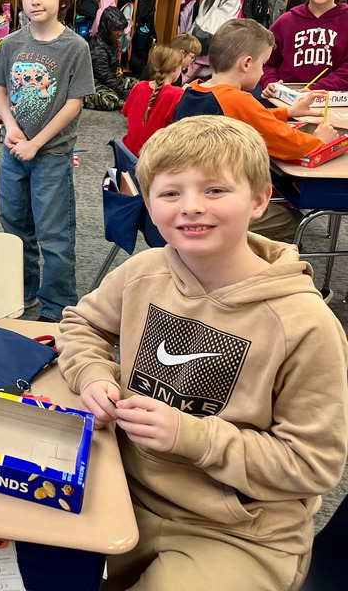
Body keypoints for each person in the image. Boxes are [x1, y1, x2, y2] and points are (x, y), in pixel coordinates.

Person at [57, 115, 348, 591]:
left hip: (235, 533)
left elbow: (312, 465)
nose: (191, 208)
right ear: (149, 206)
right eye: (170, 193)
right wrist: (92, 374)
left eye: (215, 191)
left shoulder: (305, 326)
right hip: (119, 485)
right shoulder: (145, 271)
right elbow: (82, 324)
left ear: (258, 200)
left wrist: (191, 436)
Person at [0, 0, 94, 322]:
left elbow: (74, 103)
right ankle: (24, 295)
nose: (35, 0)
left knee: (54, 236)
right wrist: (9, 126)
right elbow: (0, 92)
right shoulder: (12, 44)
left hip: (52, 156)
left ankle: (57, 308)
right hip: (14, 152)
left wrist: (36, 143)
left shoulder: (74, 48)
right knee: (15, 228)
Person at [173, 19, 337, 241]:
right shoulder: (238, 100)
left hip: (190, 194)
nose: (262, 73)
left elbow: (250, 117)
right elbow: (290, 144)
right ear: (246, 63)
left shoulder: (195, 89)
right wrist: (320, 140)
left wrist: (288, 112)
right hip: (215, 205)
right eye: (263, 64)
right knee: (294, 222)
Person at [260, 0, 348, 92]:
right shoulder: (286, 21)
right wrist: (270, 83)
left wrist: (318, 88)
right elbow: (265, 61)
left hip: (330, 100)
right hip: (286, 99)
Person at [121, 45, 184, 156]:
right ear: (175, 69)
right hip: (153, 158)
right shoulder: (177, 94)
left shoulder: (139, 86)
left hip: (127, 152)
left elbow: (126, 113)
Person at [85, 5, 134, 111]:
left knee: (138, 86)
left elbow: (113, 70)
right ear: (107, 27)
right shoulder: (97, 46)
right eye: (116, 29)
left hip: (111, 79)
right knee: (110, 100)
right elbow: (104, 76)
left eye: (121, 29)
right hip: (94, 83)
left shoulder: (113, 42)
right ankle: (84, 98)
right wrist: (125, 93)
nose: (120, 33)